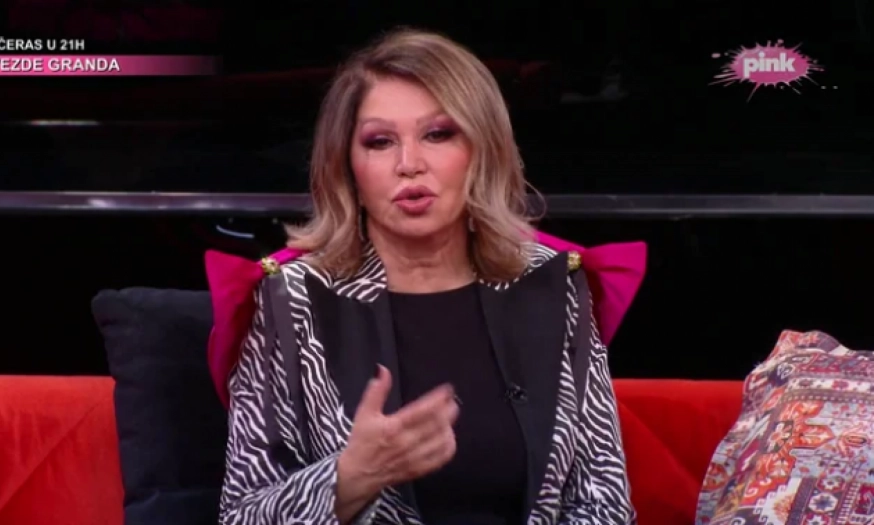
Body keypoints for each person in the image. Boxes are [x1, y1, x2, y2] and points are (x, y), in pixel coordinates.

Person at [218, 28, 638, 525]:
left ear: (481, 150)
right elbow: (241, 515)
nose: (409, 165)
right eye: (380, 142)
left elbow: (603, 501)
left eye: (438, 134)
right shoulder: (292, 298)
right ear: (348, 167)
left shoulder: (553, 284)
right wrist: (351, 478)